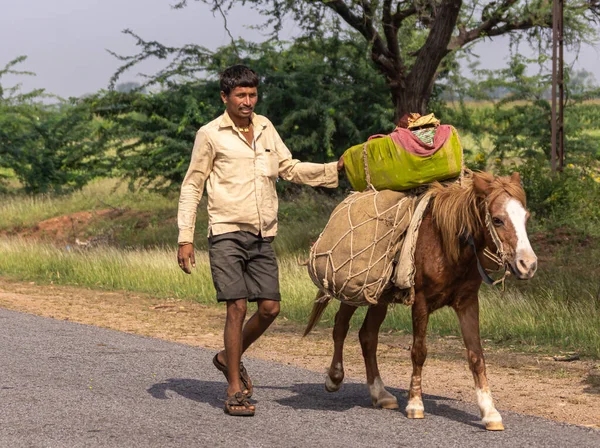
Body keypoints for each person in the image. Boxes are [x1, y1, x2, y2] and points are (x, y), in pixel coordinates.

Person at [176, 64, 343, 416]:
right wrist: (185, 238)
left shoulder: (266, 127)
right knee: (236, 306)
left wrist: (334, 170)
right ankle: (235, 389)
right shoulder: (210, 134)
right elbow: (192, 185)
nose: (248, 101)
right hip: (225, 232)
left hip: (262, 233)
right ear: (225, 97)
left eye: (252, 94)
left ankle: (226, 359)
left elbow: (289, 168)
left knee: (270, 308)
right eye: (240, 95)